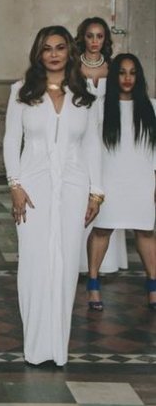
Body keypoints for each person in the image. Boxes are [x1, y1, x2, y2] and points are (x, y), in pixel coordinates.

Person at [3, 25, 103, 366]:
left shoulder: (84, 93)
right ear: (39, 53)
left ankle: (57, 347)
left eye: (60, 47)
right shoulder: (21, 91)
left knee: (64, 264)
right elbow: (9, 141)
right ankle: (35, 345)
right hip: (31, 188)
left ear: (69, 53)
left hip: (74, 187)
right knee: (33, 262)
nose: (54, 53)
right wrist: (14, 185)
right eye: (47, 48)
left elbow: (93, 145)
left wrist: (96, 192)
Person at [86, 54, 156, 311]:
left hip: (142, 180)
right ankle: (93, 285)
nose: (127, 78)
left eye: (132, 73)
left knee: (146, 231)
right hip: (109, 180)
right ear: (114, 77)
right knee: (103, 229)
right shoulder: (99, 107)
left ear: (138, 77)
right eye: (122, 72)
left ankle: (153, 285)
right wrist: (94, 185)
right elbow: (90, 147)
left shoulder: (152, 107)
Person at [75, 16, 128, 274]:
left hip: (107, 137)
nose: (94, 41)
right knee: (80, 187)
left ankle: (104, 262)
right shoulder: (72, 67)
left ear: (105, 39)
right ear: (82, 38)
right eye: (89, 36)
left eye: (99, 36)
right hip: (79, 136)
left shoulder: (114, 67)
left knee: (104, 189)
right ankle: (77, 260)